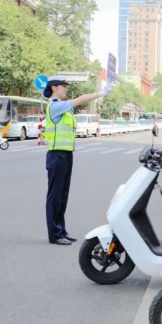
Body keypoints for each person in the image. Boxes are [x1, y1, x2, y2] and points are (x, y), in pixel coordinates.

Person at [42, 76, 110, 246]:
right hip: (56, 155)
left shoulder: (63, 109)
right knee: (55, 197)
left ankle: (61, 231)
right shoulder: (55, 106)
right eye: (63, 86)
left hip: (66, 154)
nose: (66, 88)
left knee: (63, 196)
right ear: (54, 88)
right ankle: (55, 234)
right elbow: (79, 100)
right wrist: (100, 93)